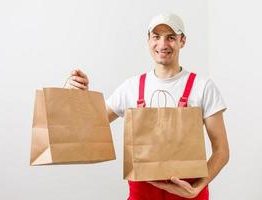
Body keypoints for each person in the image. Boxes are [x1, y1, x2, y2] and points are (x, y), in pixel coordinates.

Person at [68, 13, 229, 200]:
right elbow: (92, 125)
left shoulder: (202, 87)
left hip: (189, 194)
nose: (162, 44)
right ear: (148, 40)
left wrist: (197, 188)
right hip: (141, 195)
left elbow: (222, 151)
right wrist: (81, 95)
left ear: (182, 41)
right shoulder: (131, 87)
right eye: (156, 37)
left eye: (170, 37)